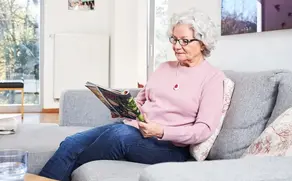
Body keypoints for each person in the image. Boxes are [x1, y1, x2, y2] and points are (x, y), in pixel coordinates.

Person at [39, 8, 225, 181]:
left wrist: (161, 131)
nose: (176, 46)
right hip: (133, 128)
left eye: (184, 41)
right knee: (71, 142)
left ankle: (71, 171)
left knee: (117, 135)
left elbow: (203, 130)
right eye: (174, 39)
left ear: (202, 43)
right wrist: (123, 108)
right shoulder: (163, 68)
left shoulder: (212, 78)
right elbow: (141, 100)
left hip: (168, 147)